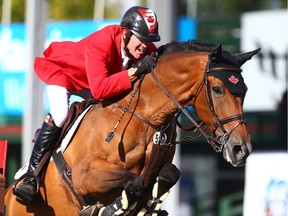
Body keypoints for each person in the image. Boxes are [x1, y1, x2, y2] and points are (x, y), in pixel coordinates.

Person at [13, 6, 160, 204]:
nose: (145, 46)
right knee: (61, 114)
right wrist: (133, 72)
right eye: (142, 39)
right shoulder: (101, 43)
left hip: (95, 82)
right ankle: (31, 175)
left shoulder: (144, 48)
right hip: (65, 74)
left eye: (149, 41)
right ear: (125, 34)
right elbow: (99, 89)